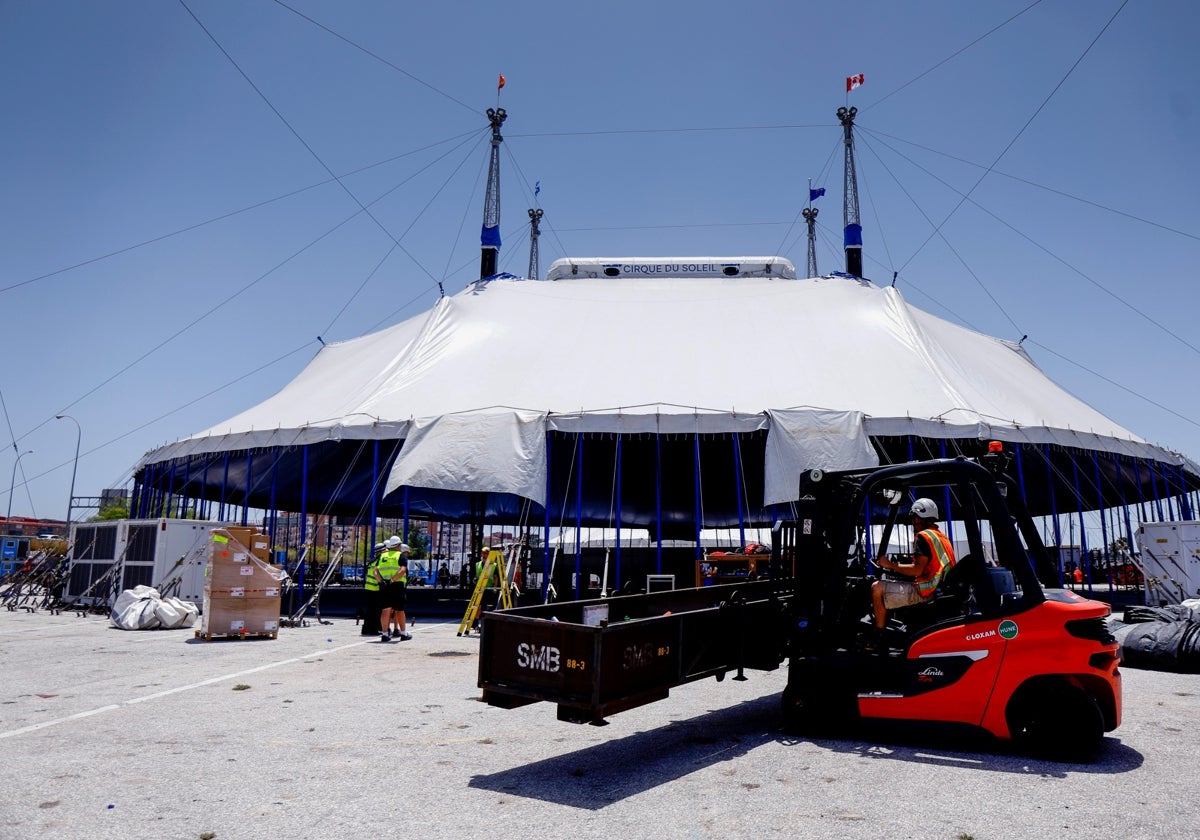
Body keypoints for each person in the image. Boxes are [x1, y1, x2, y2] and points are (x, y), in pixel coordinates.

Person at [868, 498, 956, 649]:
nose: (913, 523)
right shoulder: (939, 536)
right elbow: (929, 565)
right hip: (939, 588)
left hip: (926, 592)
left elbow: (917, 570)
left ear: (921, 517)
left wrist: (890, 565)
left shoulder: (923, 537)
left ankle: (879, 638)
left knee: (877, 587)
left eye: (914, 518)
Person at [372, 536, 411, 643]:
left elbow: (375, 571)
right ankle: (403, 633)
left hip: (384, 585)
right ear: (398, 546)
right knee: (399, 609)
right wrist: (393, 580)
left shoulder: (382, 556)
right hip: (397, 585)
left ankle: (384, 634)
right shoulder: (400, 556)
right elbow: (403, 570)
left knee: (386, 609)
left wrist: (381, 581)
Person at [360, 542, 385, 637]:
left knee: (369, 610)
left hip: (368, 588)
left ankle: (366, 629)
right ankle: (374, 629)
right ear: (381, 551)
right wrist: (381, 583)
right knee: (376, 611)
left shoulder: (372, 561)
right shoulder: (379, 561)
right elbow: (376, 573)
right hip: (375, 589)